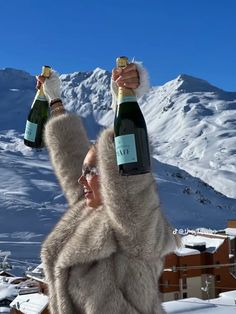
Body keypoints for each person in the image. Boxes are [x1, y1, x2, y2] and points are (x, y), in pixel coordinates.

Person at [39, 61, 180, 314]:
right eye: (83, 172)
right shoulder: (88, 214)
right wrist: (54, 100)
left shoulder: (136, 230)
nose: (81, 180)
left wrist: (125, 102)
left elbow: (131, 187)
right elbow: (70, 156)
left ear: (114, 175)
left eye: (91, 172)